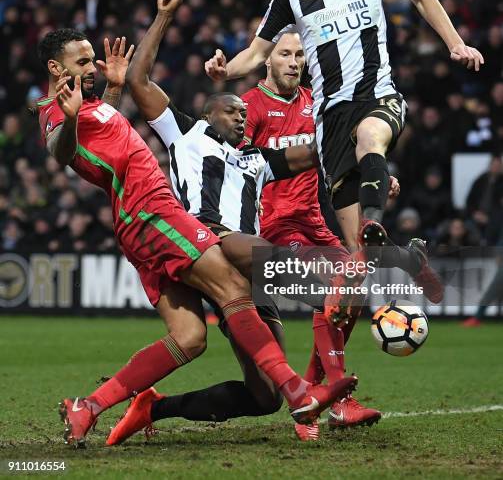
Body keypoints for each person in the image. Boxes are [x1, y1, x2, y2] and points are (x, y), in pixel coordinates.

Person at [37, 25, 356, 447]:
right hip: (157, 213)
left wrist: (111, 90)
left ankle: (91, 407)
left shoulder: (93, 107)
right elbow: (61, 148)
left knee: (191, 339)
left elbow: (99, 151)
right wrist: (76, 113)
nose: (92, 67)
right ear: (55, 67)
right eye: (83, 62)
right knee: (234, 282)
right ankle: (302, 389)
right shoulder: (63, 111)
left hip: (146, 224)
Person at [206, 0, 483, 297]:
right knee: (359, 256)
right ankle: (408, 260)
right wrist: (224, 70)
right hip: (330, 118)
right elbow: (256, 52)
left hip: (377, 96)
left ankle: (374, 220)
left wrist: (455, 43)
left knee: (371, 137)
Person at [241, 30, 382, 440]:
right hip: (273, 227)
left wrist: (375, 176)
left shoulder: (316, 104)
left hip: (314, 222)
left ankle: (312, 400)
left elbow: (343, 156)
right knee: (336, 290)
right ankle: (336, 402)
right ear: (267, 58)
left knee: (353, 288)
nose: (293, 61)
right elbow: (233, 165)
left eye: (300, 54)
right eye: (284, 53)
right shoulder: (249, 107)